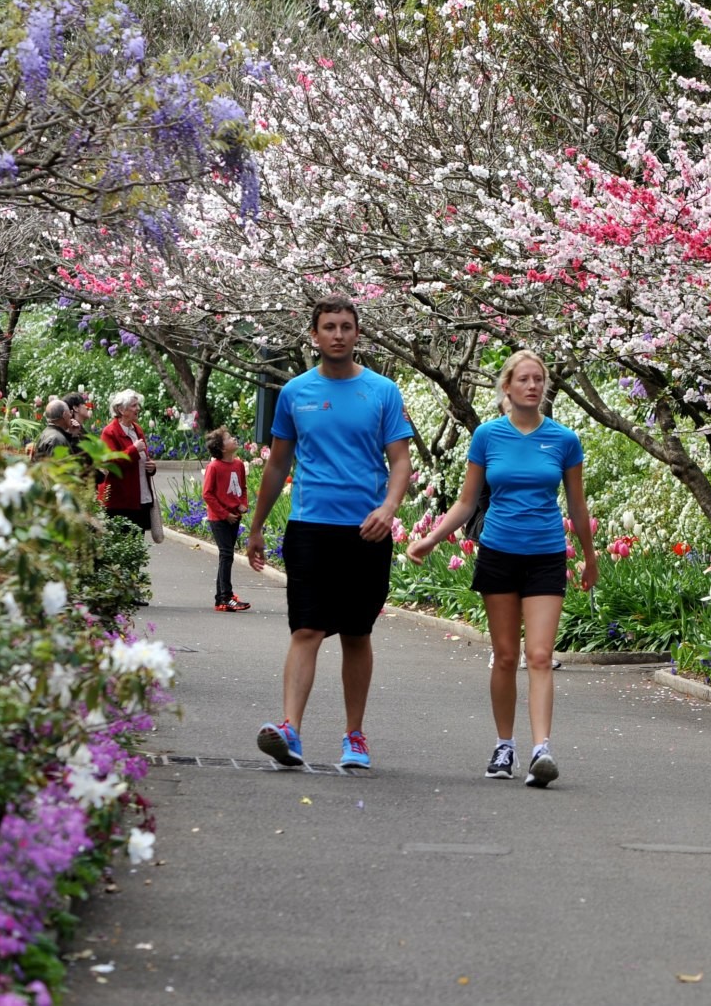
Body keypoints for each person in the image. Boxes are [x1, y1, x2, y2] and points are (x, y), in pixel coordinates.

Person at [409, 350, 597, 787]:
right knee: (506, 656)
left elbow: (577, 505)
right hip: (499, 553)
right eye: (523, 379)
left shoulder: (564, 440)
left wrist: (590, 556)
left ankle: (541, 750)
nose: (532, 386)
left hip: (547, 555)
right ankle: (504, 745)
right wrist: (432, 537)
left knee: (540, 656)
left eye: (538, 379)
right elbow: (466, 501)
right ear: (507, 387)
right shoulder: (488, 437)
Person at [246, 296, 414, 772]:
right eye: (328, 327)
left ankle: (354, 736)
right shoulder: (295, 392)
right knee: (307, 628)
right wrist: (256, 527)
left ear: (356, 334)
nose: (337, 334)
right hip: (310, 527)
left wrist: (389, 508)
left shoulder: (382, 392)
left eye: (345, 326)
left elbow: (400, 461)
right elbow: (278, 463)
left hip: (367, 531)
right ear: (314, 336)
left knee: (357, 633)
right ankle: (289, 731)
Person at [202, 427, 253, 613]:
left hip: (235, 516)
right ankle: (226, 596)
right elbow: (207, 494)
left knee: (226, 555)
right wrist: (225, 514)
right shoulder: (214, 467)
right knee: (226, 554)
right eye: (229, 438)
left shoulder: (238, 464)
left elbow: (243, 488)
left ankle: (220, 598)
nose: (234, 439)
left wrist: (242, 504)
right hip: (219, 518)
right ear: (222, 448)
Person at [96, 391, 159, 537]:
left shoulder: (137, 429)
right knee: (124, 545)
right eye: (134, 405)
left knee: (138, 546)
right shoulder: (109, 432)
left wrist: (151, 467)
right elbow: (111, 463)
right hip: (121, 503)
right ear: (122, 410)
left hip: (140, 499)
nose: (138, 409)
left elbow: (143, 460)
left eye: (138, 405)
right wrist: (134, 450)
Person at [32, 397, 77, 462]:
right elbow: (58, 469)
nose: (71, 415)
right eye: (70, 412)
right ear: (64, 415)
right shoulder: (56, 439)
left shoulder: (48, 432)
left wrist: (74, 435)